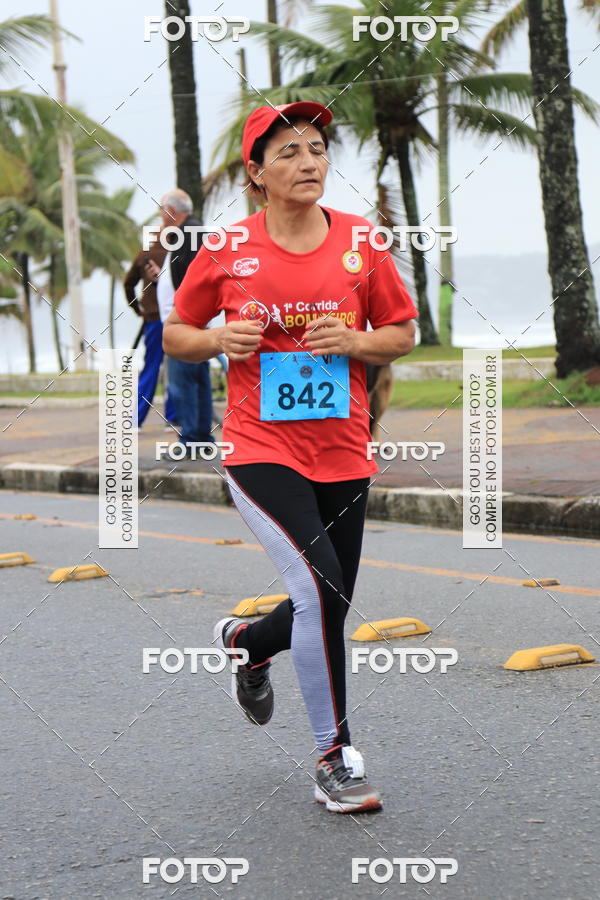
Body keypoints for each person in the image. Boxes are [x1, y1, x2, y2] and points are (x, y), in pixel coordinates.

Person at [163, 102, 417, 813]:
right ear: (256, 173)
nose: (309, 162)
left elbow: (401, 331)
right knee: (320, 589)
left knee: (329, 599)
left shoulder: (362, 241)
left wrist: (356, 341)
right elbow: (178, 333)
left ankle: (248, 642)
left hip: (344, 451)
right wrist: (218, 341)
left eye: (317, 149)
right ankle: (335, 756)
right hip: (260, 448)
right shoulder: (227, 248)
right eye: (289, 153)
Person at [146, 189, 215, 453]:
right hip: (188, 321)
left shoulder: (189, 234)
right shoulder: (187, 232)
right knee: (195, 380)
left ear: (171, 211)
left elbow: (195, 279)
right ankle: (200, 437)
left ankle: (192, 439)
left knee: (182, 383)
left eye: (161, 210)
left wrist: (189, 315)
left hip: (186, 324)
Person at [123, 240, 176, 428]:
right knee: (175, 368)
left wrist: (138, 309)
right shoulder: (176, 252)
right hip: (176, 319)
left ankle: (136, 418)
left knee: (151, 367)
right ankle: (173, 417)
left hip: (153, 319)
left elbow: (128, 284)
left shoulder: (144, 255)